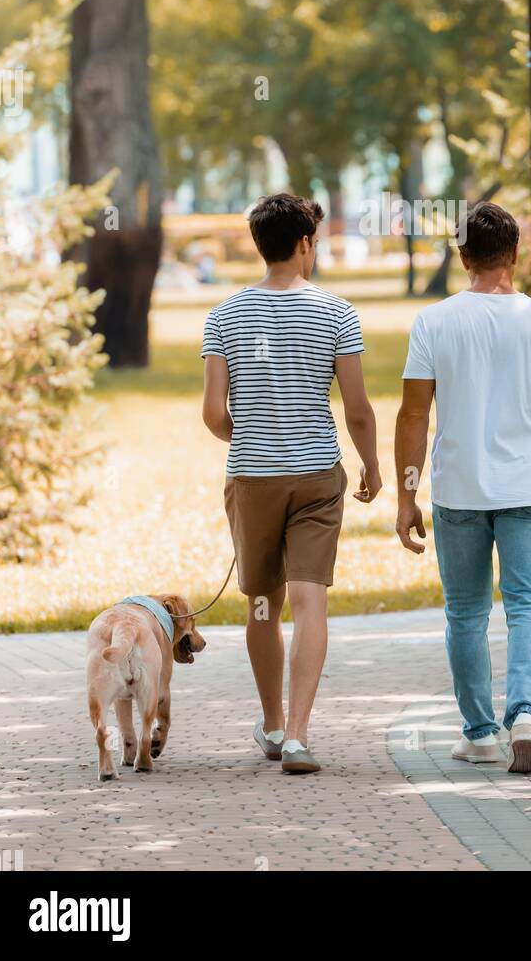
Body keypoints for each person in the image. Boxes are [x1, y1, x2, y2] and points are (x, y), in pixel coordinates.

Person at [394, 201, 531, 773]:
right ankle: (526, 715)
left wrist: (407, 494)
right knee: (529, 605)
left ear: (463, 258)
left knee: (465, 612)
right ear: (516, 253)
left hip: (458, 490)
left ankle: (480, 733)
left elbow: (413, 415)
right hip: (530, 487)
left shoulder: (434, 321)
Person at [201, 193, 381, 774]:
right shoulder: (337, 312)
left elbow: (212, 412)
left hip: (252, 478)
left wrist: (252, 437)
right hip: (317, 478)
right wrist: (372, 464)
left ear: (260, 245)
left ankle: (273, 725)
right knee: (309, 602)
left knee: (261, 602)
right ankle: (301, 736)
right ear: (305, 244)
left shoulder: (224, 316)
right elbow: (356, 409)